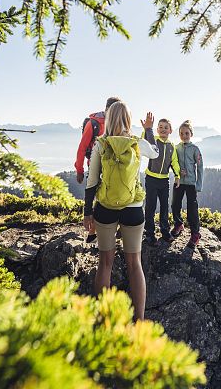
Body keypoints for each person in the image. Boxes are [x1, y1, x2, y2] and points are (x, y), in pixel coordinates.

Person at [83, 102, 159, 321]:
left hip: (105, 208)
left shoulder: (101, 144)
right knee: (135, 264)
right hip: (133, 209)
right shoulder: (138, 143)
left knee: (105, 263)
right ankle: (139, 322)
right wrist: (149, 129)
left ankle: (103, 319)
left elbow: (92, 181)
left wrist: (88, 213)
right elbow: (155, 153)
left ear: (108, 119)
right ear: (128, 119)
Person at [74, 96, 120, 242]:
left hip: (112, 169)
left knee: (111, 198)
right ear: (106, 109)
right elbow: (82, 148)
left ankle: (108, 229)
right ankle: (93, 232)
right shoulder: (93, 124)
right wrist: (79, 170)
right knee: (97, 199)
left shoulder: (118, 123)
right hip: (94, 166)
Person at [143, 119, 180, 246]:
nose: (163, 129)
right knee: (151, 206)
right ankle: (149, 233)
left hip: (164, 180)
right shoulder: (154, 141)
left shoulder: (171, 146)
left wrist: (177, 175)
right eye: (160, 127)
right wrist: (147, 129)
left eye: (166, 127)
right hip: (151, 179)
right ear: (157, 129)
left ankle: (165, 231)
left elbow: (174, 162)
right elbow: (145, 140)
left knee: (164, 207)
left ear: (170, 130)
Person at [171, 120, 204, 248]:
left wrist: (199, 185)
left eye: (186, 133)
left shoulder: (195, 149)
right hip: (179, 182)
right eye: (181, 133)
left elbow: (200, 167)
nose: (184, 136)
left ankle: (195, 234)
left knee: (192, 210)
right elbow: (173, 163)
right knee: (175, 205)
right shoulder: (176, 148)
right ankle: (178, 224)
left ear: (191, 134)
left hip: (191, 183)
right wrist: (179, 171)